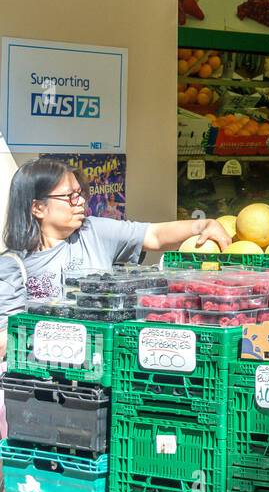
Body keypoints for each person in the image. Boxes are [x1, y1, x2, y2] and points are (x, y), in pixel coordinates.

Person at [0, 159, 232, 441]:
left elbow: (155, 235)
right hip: (43, 393)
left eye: (81, 193)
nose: (80, 202)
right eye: (69, 196)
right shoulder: (14, 265)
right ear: (37, 207)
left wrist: (204, 225)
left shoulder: (93, 232)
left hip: (101, 384)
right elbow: (6, 337)